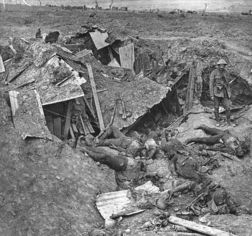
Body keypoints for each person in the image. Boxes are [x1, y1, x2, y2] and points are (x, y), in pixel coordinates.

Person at [209, 59, 231, 126]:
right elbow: (211, 83)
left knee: (227, 107)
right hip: (216, 92)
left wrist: (225, 81)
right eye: (220, 65)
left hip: (224, 92)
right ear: (218, 65)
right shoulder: (214, 72)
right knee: (216, 108)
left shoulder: (226, 72)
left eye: (223, 65)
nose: (222, 67)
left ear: (224, 66)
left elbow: (227, 83)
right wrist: (211, 94)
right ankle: (218, 121)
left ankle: (228, 122)